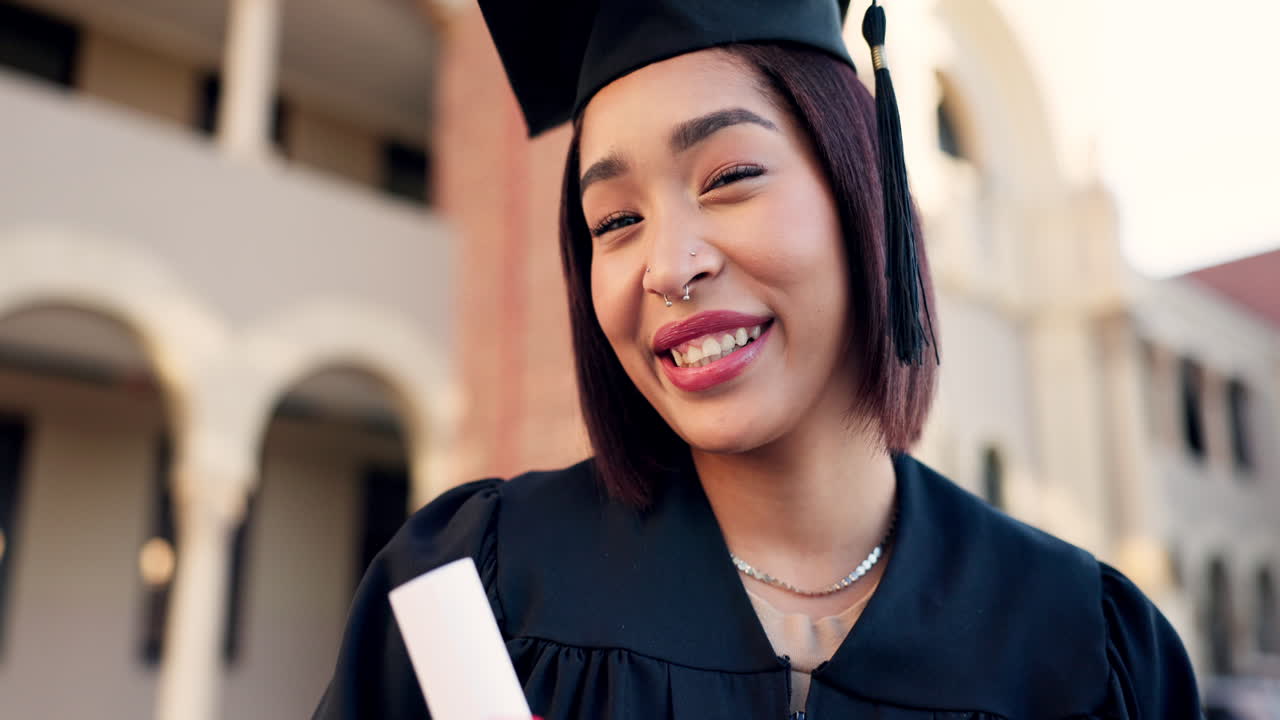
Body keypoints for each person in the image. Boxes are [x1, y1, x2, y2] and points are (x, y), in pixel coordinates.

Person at [314, 1, 1203, 718]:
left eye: (729, 177)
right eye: (615, 222)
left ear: (865, 189)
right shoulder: (487, 590)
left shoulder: (1085, 652)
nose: (668, 266)